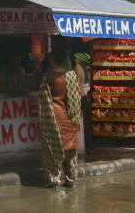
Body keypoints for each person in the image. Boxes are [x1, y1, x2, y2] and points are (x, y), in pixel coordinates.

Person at [39, 47, 81, 188]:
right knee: (70, 149)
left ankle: (54, 178)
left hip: (55, 115)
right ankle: (70, 178)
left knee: (53, 147)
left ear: (51, 60)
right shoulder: (71, 76)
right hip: (70, 116)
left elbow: (44, 99)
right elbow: (76, 98)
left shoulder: (48, 76)